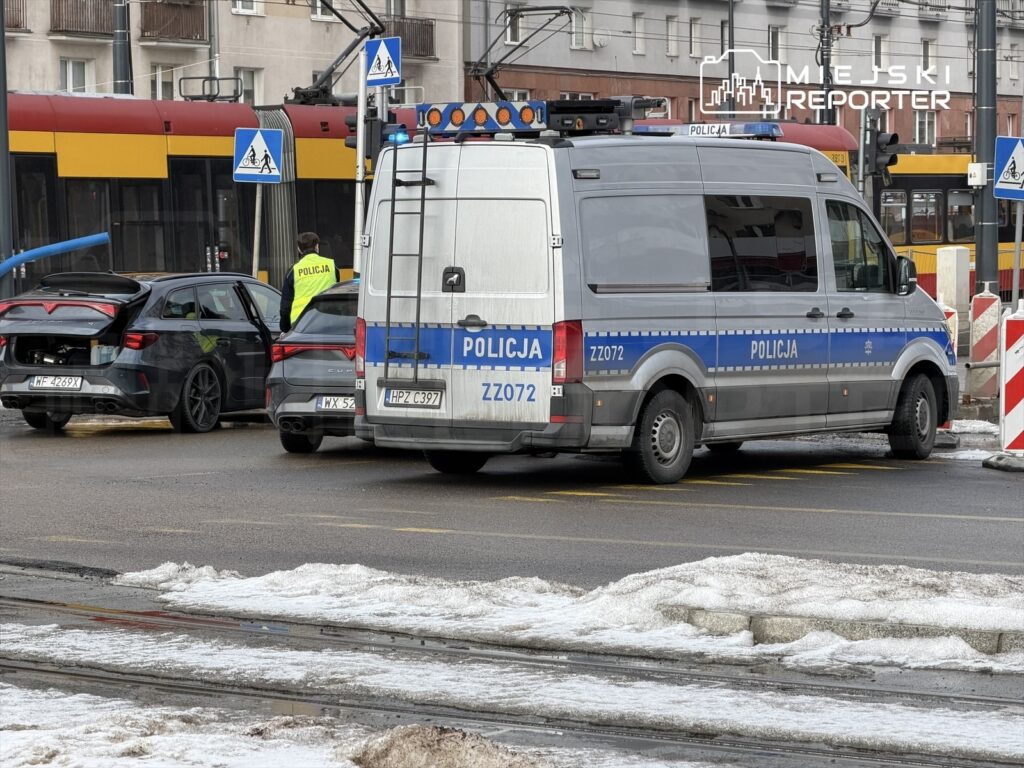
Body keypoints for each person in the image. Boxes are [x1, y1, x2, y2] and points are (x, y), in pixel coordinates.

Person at [279, 232, 339, 332]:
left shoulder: (293, 271)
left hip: (301, 324)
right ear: (317, 247)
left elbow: (285, 306)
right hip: (329, 321)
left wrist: (285, 328)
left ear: (299, 249)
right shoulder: (331, 266)